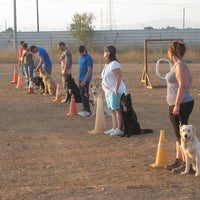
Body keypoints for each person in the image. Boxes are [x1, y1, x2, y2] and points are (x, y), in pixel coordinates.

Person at [164, 41, 194, 173]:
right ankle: (179, 159)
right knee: (178, 134)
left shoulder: (180, 65)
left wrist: (177, 105)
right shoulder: (178, 65)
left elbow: (183, 84)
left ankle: (185, 162)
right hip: (180, 102)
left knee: (181, 134)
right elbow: (190, 79)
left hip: (181, 104)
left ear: (172, 52)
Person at [101, 45, 126, 136]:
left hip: (115, 91)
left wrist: (116, 89)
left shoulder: (114, 63)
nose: (104, 52)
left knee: (117, 109)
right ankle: (114, 127)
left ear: (110, 53)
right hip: (108, 91)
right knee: (112, 110)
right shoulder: (107, 64)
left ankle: (119, 129)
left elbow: (119, 76)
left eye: (106, 50)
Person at [77, 45, 93, 117]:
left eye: (82, 52)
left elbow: (89, 70)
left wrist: (85, 80)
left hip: (85, 79)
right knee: (81, 94)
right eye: (80, 53)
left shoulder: (88, 58)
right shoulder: (80, 57)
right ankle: (84, 109)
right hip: (80, 78)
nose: (81, 54)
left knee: (85, 94)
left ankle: (88, 111)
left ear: (85, 50)